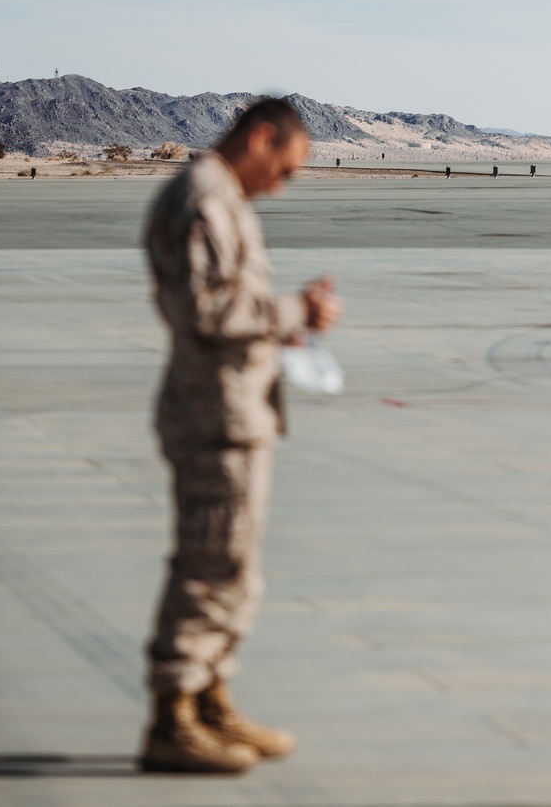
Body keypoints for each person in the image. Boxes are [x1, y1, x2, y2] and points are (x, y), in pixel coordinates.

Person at [140, 97, 342, 774]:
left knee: (234, 569)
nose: (282, 185)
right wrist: (296, 310)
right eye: (284, 169)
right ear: (260, 139)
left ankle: (210, 700)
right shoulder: (204, 199)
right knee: (208, 567)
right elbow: (205, 309)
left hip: (235, 411)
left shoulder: (222, 199)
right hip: (213, 416)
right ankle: (173, 717)